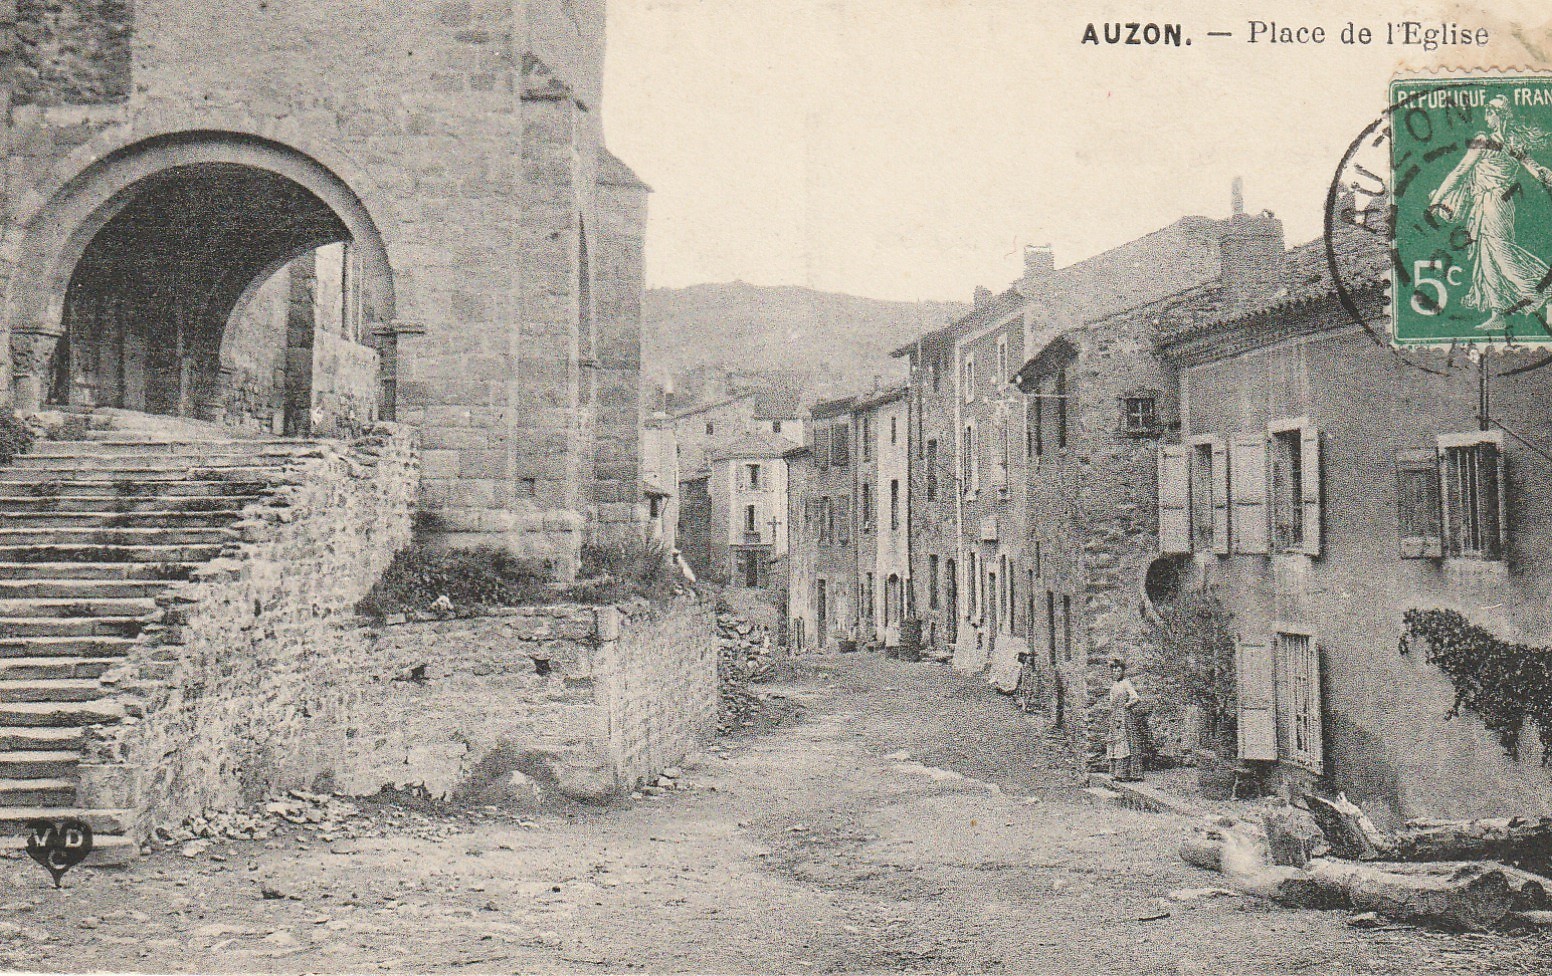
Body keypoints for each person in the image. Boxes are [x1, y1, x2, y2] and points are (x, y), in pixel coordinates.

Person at [1428, 95, 1552, 332]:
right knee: (1487, 258)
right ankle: (1498, 314)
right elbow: (1534, 170)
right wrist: (1544, 174)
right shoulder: (1513, 144)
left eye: (1489, 112)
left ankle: (1538, 290)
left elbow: (1459, 172)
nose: (1486, 117)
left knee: (1500, 252)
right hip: (1497, 204)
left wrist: (1436, 200)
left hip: (1493, 203)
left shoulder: (1484, 141)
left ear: (1498, 115)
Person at [1107, 655, 1144, 782]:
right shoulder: (1113, 685)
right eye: (1114, 670)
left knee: (1125, 743)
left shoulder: (1126, 683)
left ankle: (1127, 774)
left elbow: (1136, 698)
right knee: (1115, 742)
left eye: (1118, 670)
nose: (1116, 672)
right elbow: (1112, 702)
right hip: (1115, 715)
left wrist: (1126, 705)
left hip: (1124, 716)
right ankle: (1117, 773)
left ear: (1123, 671)